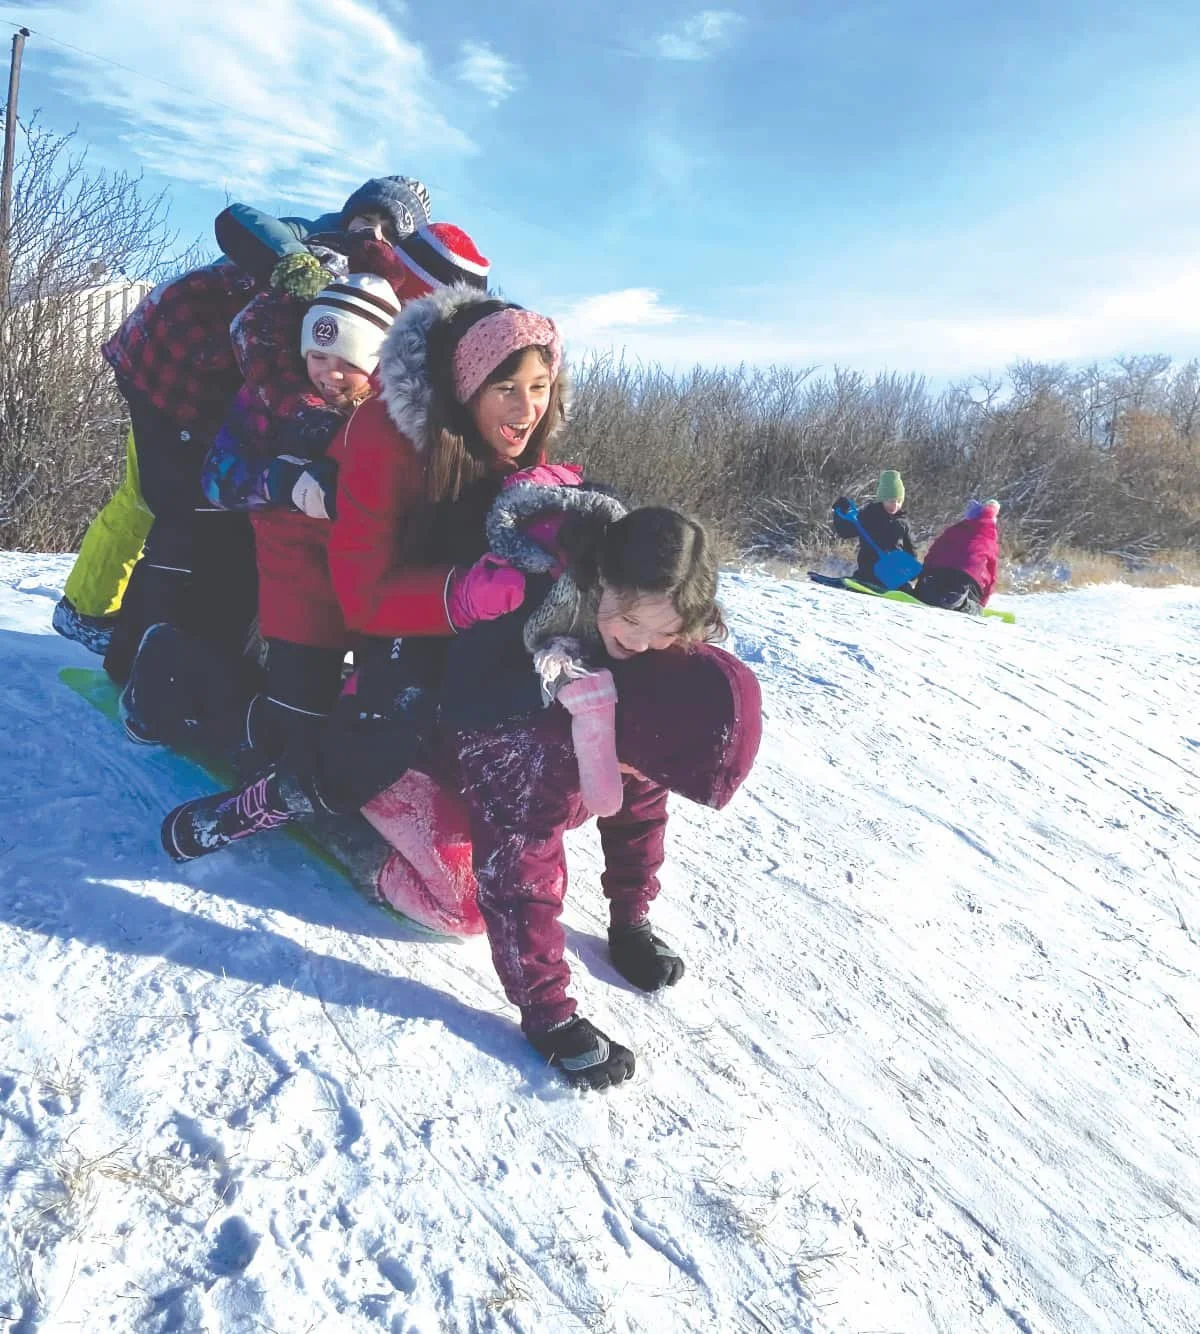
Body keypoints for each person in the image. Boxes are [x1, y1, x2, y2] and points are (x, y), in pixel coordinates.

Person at [159, 289, 569, 857]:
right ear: (467, 384)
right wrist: (459, 598)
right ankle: (179, 675)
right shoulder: (385, 434)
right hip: (311, 558)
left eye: (539, 388)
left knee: (423, 698)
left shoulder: (510, 439)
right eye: (506, 388)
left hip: (403, 572)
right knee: (301, 732)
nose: (527, 409)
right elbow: (366, 597)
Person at [51, 175, 432, 658]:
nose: (372, 232)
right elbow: (246, 267)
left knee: (153, 497)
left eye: (389, 230)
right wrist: (291, 262)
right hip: (172, 366)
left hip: (199, 375)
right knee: (171, 504)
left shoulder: (363, 278)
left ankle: (94, 609)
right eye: (368, 216)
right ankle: (105, 622)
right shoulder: (316, 247)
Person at [832, 468, 917, 587]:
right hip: (869, 570)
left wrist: (912, 569)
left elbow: (910, 549)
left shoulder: (903, 523)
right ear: (882, 499)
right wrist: (839, 512)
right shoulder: (869, 516)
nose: (894, 505)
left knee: (906, 588)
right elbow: (845, 531)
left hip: (893, 574)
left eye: (898, 501)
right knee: (873, 575)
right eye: (890, 501)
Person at [914, 499, 1000, 613]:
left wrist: (922, 577)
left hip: (935, 576)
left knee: (929, 594)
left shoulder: (956, 529)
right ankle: (967, 606)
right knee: (956, 600)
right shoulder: (990, 538)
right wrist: (982, 603)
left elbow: (933, 552)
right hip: (964, 582)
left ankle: (923, 593)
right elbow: (992, 576)